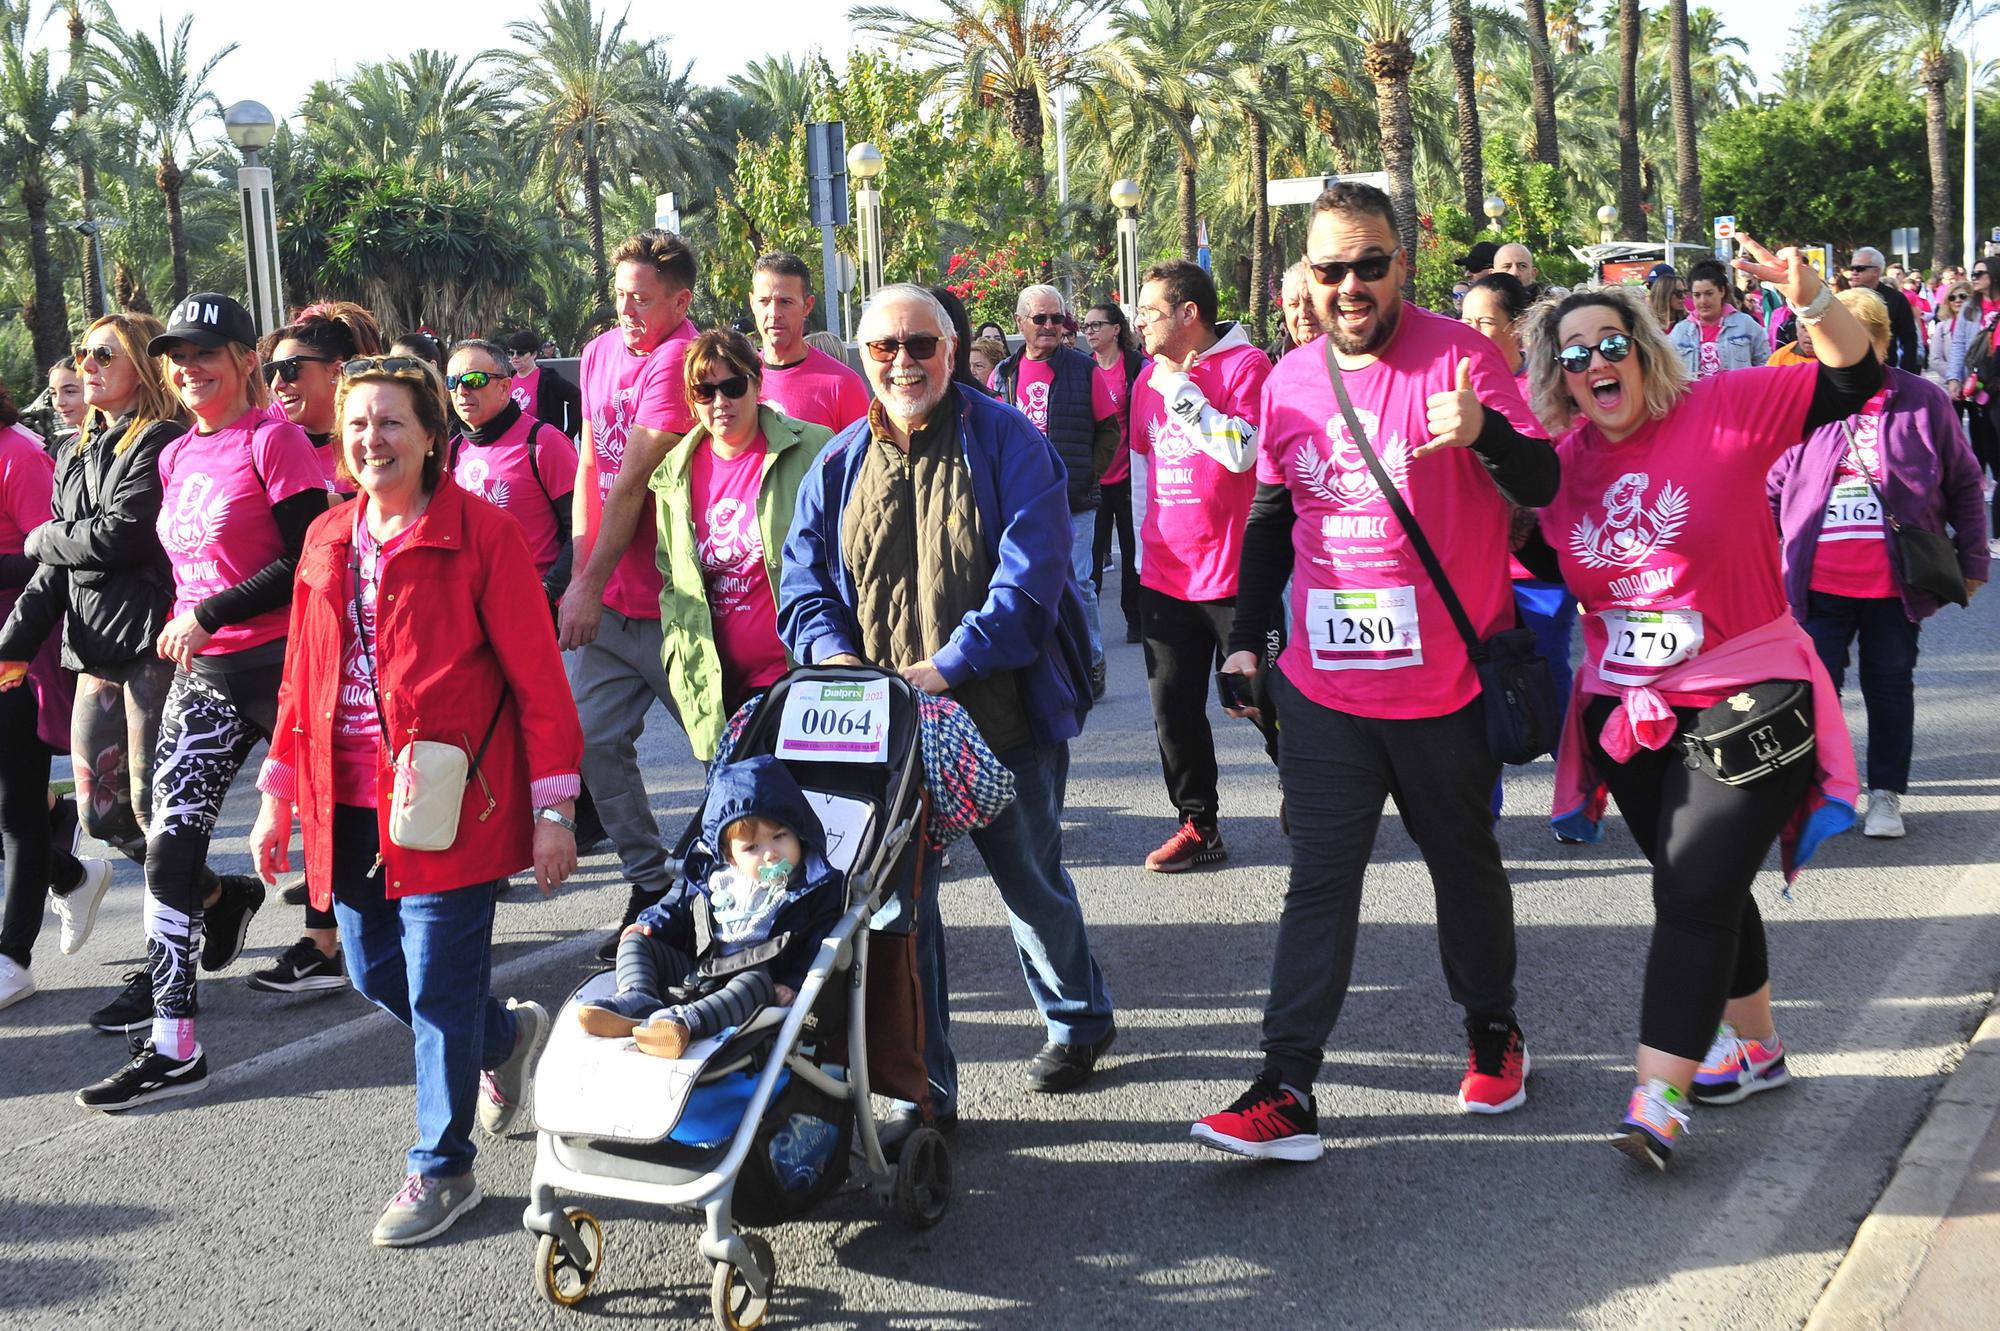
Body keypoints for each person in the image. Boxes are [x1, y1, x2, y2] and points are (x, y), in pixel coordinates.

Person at [1190, 182, 1557, 1162]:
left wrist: (1485, 433)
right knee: (1318, 881)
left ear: (1401, 263)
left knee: (1461, 866)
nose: (1348, 284)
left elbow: (1544, 483)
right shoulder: (1289, 379)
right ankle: (1284, 1084)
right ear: (1307, 275)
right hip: (1322, 687)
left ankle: (1492, 1026)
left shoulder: (1462, 356)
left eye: (1368, 263)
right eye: (1329, 267)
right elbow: (1271, 521)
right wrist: (1242, 639)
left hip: (1442, 688)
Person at [1524, 237, 1877, 1171]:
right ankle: (1754, 1045)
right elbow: (1522, 558)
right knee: (1707, 884)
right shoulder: (1558, 470)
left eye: (1611, 343)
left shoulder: (1724, 408)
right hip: (1626, 711)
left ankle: (1657, 1096)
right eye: (1573, 354)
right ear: (1558, 380)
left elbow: (1855, 382)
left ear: (1642, 349)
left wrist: (1813, 303)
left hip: (1750, 695)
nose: (1596, 361)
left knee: (1688, 891)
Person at [250, 354, 580, 1246]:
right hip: (346, 797)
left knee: (436, 976)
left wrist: (554, 807)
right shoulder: (326, 538)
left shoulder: (483, 533)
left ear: (433, 436)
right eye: (358, 423)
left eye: (391, 422)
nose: (372, 439)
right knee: (371, 968)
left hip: (449, 798)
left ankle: (443, 1168)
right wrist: (277, 792)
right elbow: (301, 675)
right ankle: (503, 1035)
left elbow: (538, 677)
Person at [780, 282, 1117, 1109]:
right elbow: (804, 578)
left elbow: (1031, 580)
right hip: (884, 737)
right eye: (884, 348)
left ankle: (1078, 1019)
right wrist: (835, 656)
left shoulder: (1010, 443)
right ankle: (922, 1084)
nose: (903, 362)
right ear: (863, 358)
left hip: (998, 720)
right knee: (898, 912)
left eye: (920, 345)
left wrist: (948, 666)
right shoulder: (838, 460)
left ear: (953, 350)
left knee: (1031, 883)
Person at [72, 294, 332, 1112]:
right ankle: (174, 1040)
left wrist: (210, 614)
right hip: (209, 679)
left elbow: (303, 558)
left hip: (290, 669)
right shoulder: (181, 454)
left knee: (351, 858)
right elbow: (182, 571)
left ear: (246, 358)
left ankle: (474, 1030)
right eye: (177, 356)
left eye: (207, 352)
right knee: (169, 846)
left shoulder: (276, 440)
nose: (189, 368)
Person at [2, 317, 203, 1011]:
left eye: (102, 354)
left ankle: (166, 965)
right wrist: (12, 646)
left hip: (149, 647)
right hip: (91, 651)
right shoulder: (75, 448)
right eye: (82, 353)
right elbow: (53, 571)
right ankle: (210, 894)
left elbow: (121, 534)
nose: (85, 365)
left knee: (153, 808)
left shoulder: (162, 440)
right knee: (103, 815)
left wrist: (43, 537)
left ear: (142, 367)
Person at [1768, 288, 1988, 840]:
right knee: (1814, 691)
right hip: (1815, 580)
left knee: (1890, 686)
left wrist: (1974, 558)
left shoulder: (1922, 400)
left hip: (1896, 582)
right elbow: (1771, 486)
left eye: (1858, 335)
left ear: (1882, 341)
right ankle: (1823, 791)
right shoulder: (1801, 397)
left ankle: (1886, 793)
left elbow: (1963, 482)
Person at [560, 229, 702, 957]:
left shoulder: (684, 358)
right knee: (590, 741)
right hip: (611, 602)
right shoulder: (597, 353)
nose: (627, 311)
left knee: (727, 752)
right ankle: (651, 880)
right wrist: (588, 576)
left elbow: (633, 480)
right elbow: (592, 464)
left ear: (681, 301)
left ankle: (734, 883)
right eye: (619, 295)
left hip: (682, 603)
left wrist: (584, 581)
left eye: (642, 299)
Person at [1127, 261, 1270, 871]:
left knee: (1265, 700)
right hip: (1166, 575)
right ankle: (1198, 823)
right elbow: (1142, 470)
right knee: (1174, 712)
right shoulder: (1144, 381)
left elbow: (1241, 454)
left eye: (1150, 312)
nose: (1138, 322)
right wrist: (1140, 555)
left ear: (1189, 313)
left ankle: (1313, 793)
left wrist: (1181, 392)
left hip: (1236, 576)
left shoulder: (1248, 367)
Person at [577, 755, 842, 1058]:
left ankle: (684, 1023)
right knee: (636, 939)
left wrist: (792, 983)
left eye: (779, 837)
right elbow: (675, 907)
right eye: (752, 848)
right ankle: (638, 997)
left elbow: (819, 941)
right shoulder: (714, 877)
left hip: (760, 979)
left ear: (798, 833)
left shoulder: (815, 884)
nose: (770, 854)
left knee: (753, 983)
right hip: (704, 969)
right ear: (730, 857)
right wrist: (650, 923)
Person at [649, 329, 830, 759]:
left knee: (806, 816)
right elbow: (672, 580)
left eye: (732, 387)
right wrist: (679, 660)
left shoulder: (812, 447)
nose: (720, 403)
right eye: (705, 391)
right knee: (739, 819)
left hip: (797, 674)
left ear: (756, 382)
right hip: (718, 690)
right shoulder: (674, 474)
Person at [1462, 273, 1579, 786]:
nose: (1471, 333)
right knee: (1479, 695)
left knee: (1546, 683)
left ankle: (1577, 789)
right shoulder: (1453, 388)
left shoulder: (1548, 389)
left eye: (1485, 322)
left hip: (1538, 574)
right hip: (1473, 573)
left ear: (1520, 328)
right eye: (1464, 321)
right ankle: (1479, 824)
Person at [0, 396, 94, 1011]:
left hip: (15, 654)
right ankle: (70, 871)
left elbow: (49, 554)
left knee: (14, 811)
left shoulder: (17, 454)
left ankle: (11, 957)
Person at [991, 283, 1119, 699]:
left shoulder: (1084, 369)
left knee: (1078, 583)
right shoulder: (1005, 373)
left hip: (1074, 501)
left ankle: (1092, 661)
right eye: (1040, 318)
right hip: (1020, 501)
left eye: (1057, 318)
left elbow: (1109, 430)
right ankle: (1031, 662)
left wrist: (1086, 474)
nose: (1050, 326)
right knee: (1020, 581)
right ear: (1020, 322)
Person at [447, 339, 578, 604]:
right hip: (473, 609)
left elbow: (581, 531)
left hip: (533, 610)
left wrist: (547, 590)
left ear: (505, 386)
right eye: (452, 382)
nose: (461, 391)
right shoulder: (452, 451)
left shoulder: (544, 443)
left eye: (474, 379)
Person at [262, 301, 384, 493]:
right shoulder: (269, 439)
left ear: (336, 372)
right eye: (271, 372)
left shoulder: (376, 441)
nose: (277, 385)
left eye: (289, 369)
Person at [1082, 302, 1146, 644]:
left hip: (1129, 477)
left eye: (1096, 325)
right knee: (1091, 561)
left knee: (1134, 553)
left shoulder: (1136, 367)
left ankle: (1136, 620)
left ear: (1116, 329)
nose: (1089, 332)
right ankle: (1089, 633)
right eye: (1086, 326)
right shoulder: (1083, 368)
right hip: (1095, 479)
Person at [749, 251, 869, 432]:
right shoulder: (738, 381)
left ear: (807, 306)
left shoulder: (842, 385)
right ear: (752, 303)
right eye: (764, 301)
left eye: (785, 302)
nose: (774, 313)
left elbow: (863, 457)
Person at [1669, 258, 1769, 378]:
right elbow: (1670, 374)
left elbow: (1765, 365)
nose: (1703, 301)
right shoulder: (1680, 332)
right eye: (1697, 295)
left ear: (1722, 291)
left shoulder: (1745, 324)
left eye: (1709, 293)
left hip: (1738, 395)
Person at [1847, 247, 1923, 372]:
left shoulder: (1896, 299)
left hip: (1885, 371)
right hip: (1849, 371)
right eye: (1852, 268)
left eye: (1860, 268)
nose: (1854, 272)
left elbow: (1909, 338)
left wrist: (1907, 374)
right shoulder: (1844, 299)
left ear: (1876, 271)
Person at [504, 328, 582, 440]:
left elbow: (576, 396)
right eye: (511, 353)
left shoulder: (548, 378)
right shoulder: (509, 379)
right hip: (515, 447)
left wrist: (568, 434)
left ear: (534, 354)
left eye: (520, 353)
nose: (515, 357)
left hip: (542, 446)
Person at [1279, 260, 1327, 353]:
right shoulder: (1274, 363)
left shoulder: (1354, 360)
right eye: (1294, 304)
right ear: (1285, 310)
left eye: (1311, 302)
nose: (1303, 313)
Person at [45, 360, 88, 438]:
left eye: (69, 391)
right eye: (53, 393)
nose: (59, 402)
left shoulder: (111, 443)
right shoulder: (62, 445)